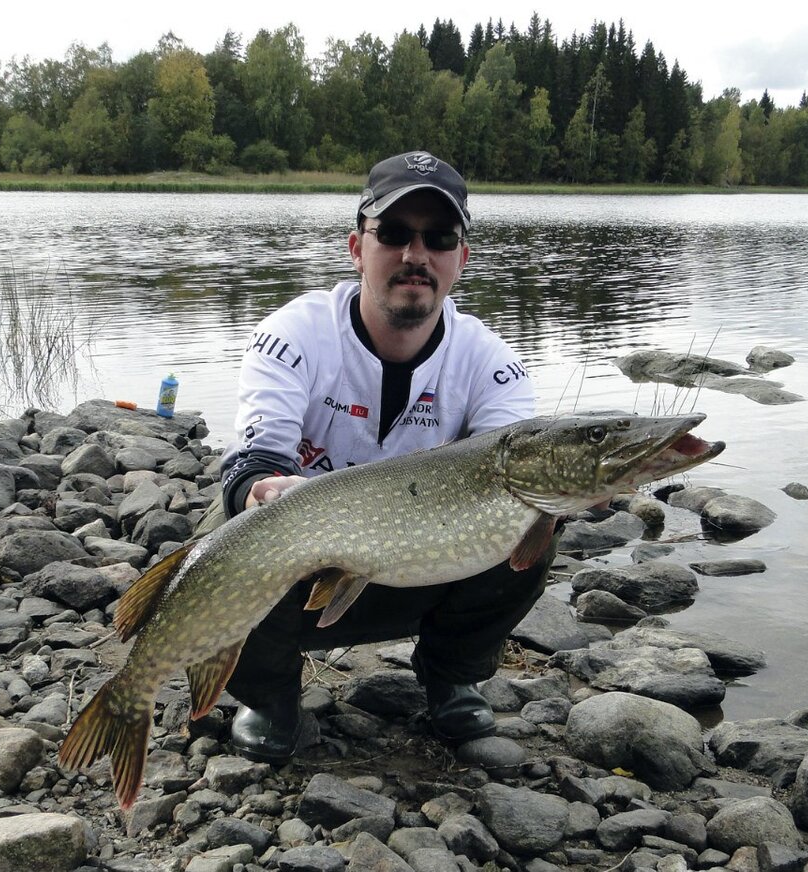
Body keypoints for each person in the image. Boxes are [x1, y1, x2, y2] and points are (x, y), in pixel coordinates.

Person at [199, 151, 551, 764]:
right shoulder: (292, 335)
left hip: (416, 567)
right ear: (358, 248)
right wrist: (259, 490)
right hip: (300, 569)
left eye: (439, 238)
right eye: (394, 234)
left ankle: (451, 679)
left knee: (533, 523)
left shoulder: (492, 362)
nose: (416, 254)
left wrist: (572, 490)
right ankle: (270, 698)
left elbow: (517, 463)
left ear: (460, 260)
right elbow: (251, 461)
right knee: (233, 535)